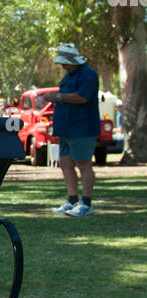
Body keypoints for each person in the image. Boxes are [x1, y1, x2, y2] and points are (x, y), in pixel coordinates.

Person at [46, 44, 100, 217]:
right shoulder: (69, 75)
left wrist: (58, 97)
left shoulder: (88, 74)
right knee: (65, 163)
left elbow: (83, 97)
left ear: (73, 61)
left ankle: (87, 203)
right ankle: (72, 200)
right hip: (66, 127)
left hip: (82, 127)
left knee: (84, 163)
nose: (62, 67)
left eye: (65, 63)